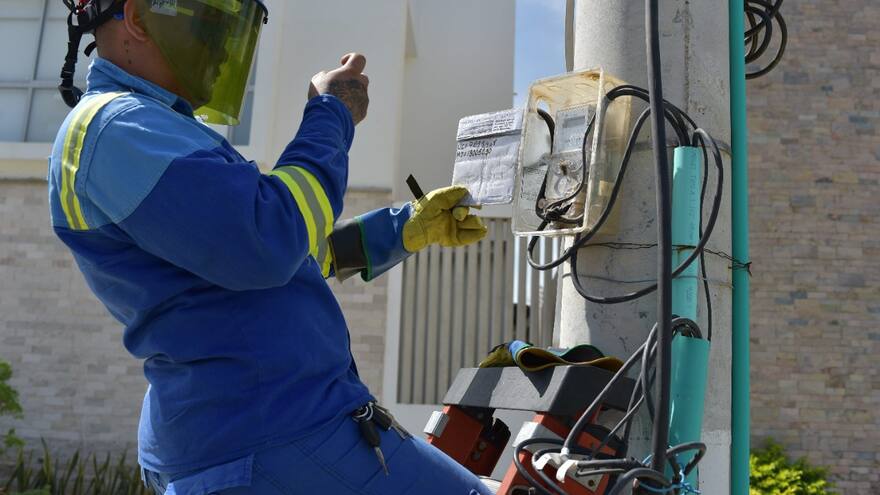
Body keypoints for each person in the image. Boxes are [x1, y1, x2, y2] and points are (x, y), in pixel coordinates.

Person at [48, 1, 491, 493]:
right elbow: (271, 242)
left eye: (231, 29)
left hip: (259, 433)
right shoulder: (118, 127)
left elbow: (289, 255)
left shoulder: (154, 127)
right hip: (271, 434)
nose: (223, 51)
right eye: (211, 24)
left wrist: (405, 227)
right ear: (136, 17)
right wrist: (331, 116)